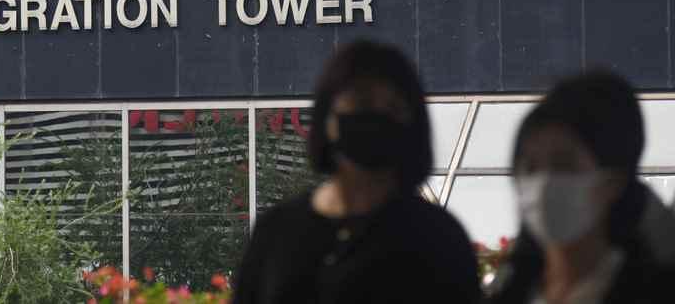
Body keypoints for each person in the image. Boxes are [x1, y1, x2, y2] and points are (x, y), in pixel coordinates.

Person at [233, 41, 480, 304]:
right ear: (327, 117)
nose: (376, 115)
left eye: (393, 108)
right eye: (362, 102)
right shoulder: (276, 232)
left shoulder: (438, 239)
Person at [487, 71, 673, 304]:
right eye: (531, 168)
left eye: (564, 165)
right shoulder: (510, 291)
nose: (544, 183)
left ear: (613, 181)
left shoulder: (655, 290)